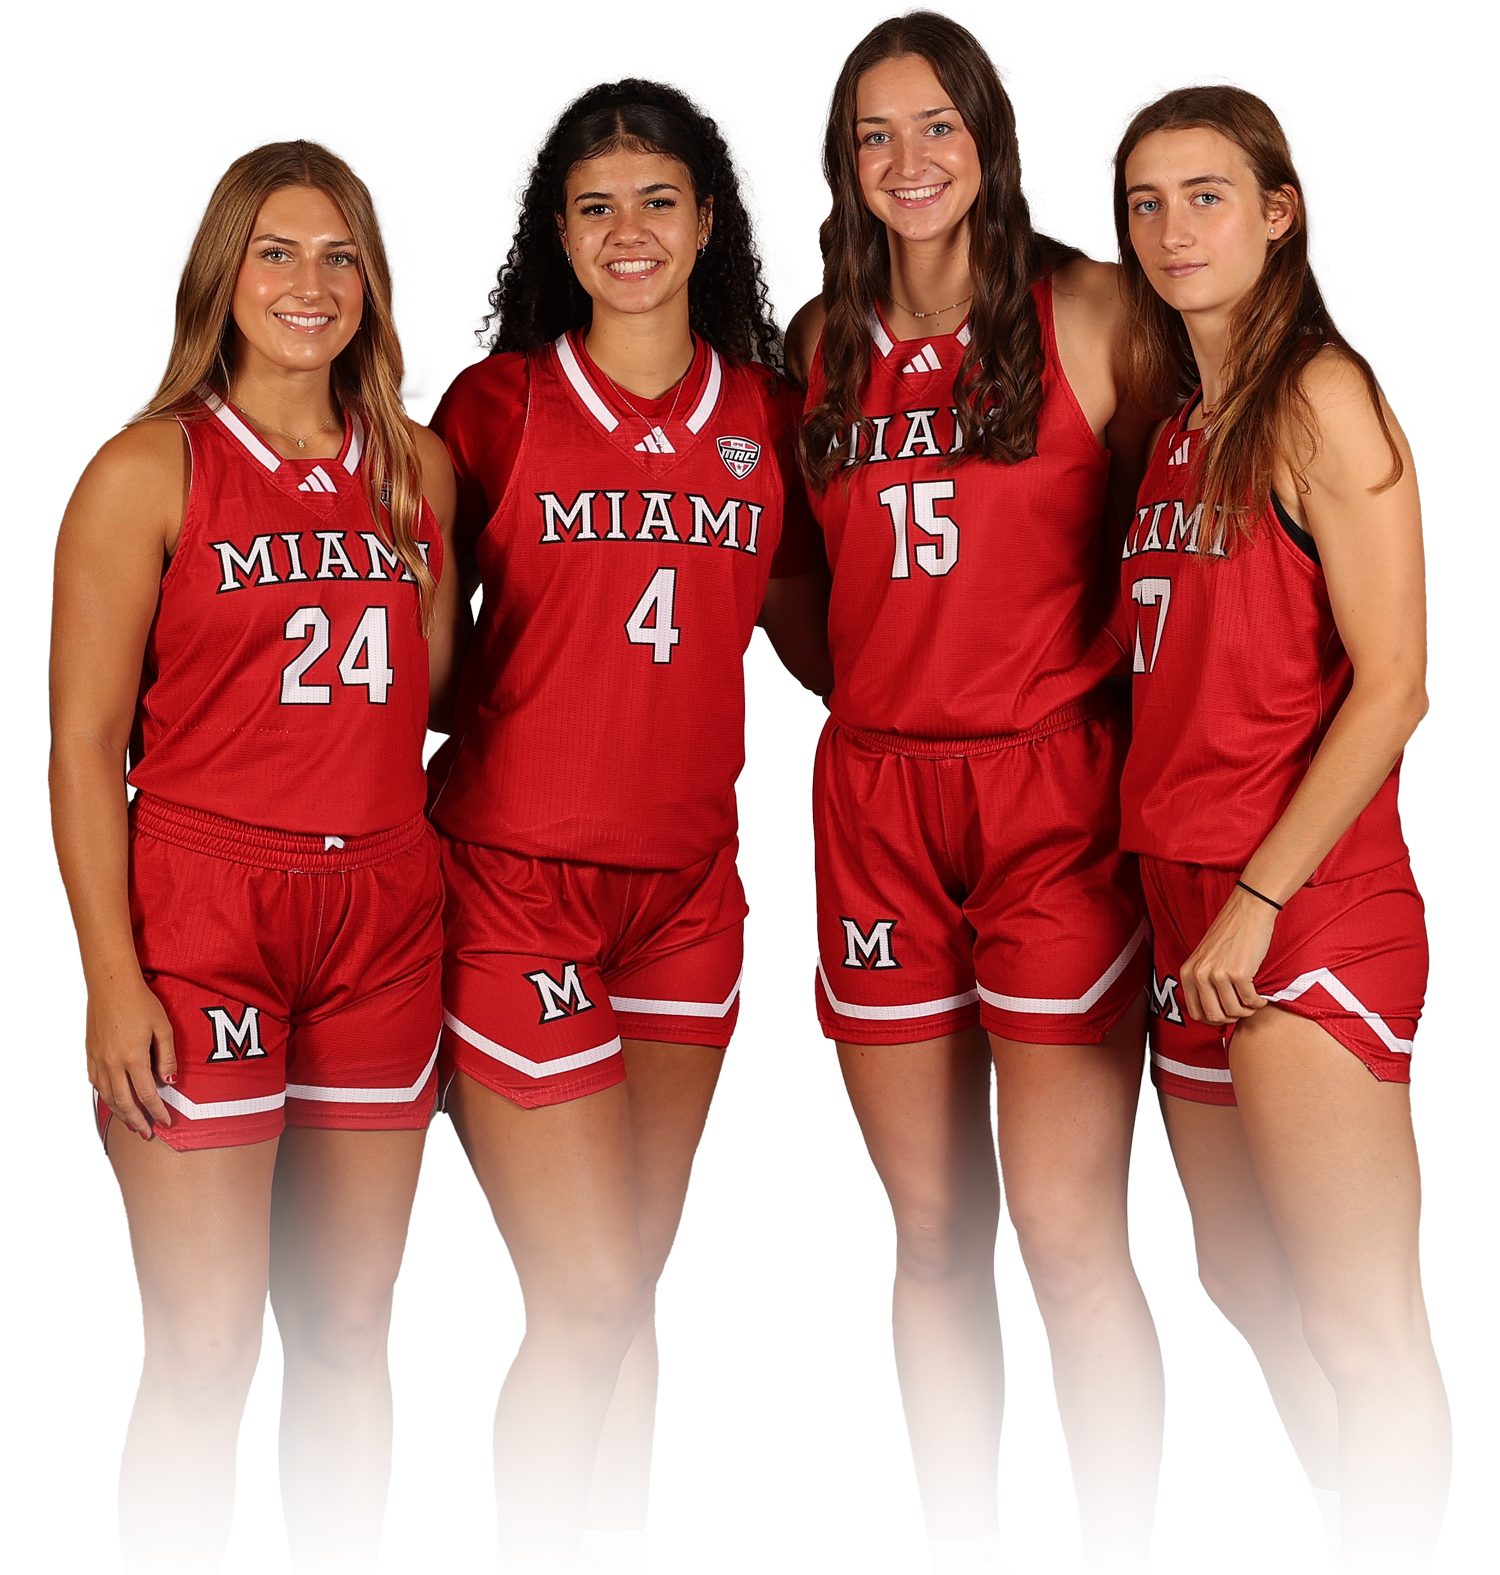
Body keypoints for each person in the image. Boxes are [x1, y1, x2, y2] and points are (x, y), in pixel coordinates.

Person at [428, 78, 831, 1575]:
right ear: (558, 235)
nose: (629, 231)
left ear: (709, 219)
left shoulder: (767, 420)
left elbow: (830, 646)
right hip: (518, 881)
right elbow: (401, 639)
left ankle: (617, 1559)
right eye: (595, 207)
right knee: (584, 1289)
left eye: (657, 200)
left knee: (630, 1282)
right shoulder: (498, 406)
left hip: (686, 893)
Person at [48, 140, 462, 1575]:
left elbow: (428, 698)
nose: (308, 283)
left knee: (348, 1324)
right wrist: (111, 973)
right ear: (219, 278)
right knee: (209, 1344)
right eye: (277, 253)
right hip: (204, 912)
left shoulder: (416, 474)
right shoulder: (141, 469)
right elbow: (82, 748)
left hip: (379, 917)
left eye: (338, 254)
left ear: (371, 285)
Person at [787, 13, 1161, 1575]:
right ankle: (963, 1561)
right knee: (935, 1234)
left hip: (1053, 795)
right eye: (875, 136)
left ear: (990, 137)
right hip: (880, 799)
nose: (909, 161)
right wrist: (895, 692)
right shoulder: (819, 344)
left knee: (1068, 1236)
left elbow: (1185, 542)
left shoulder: (1094, 312)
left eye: (935, 125)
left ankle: (1124, 1563)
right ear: (844, 165)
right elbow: (803, 590)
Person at [1113, 84, 1449, 1575]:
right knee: (1244, 1281)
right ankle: (1345, 1537)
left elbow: (1397, 687)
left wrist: (1257, 893)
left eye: (1205, 194)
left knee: (1362, 1321)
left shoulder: (1322, 394)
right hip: (1184, 901)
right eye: (1146, 201)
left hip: (1301, 903)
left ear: (1277, 212)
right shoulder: (1186, 419)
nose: (1174, 227)